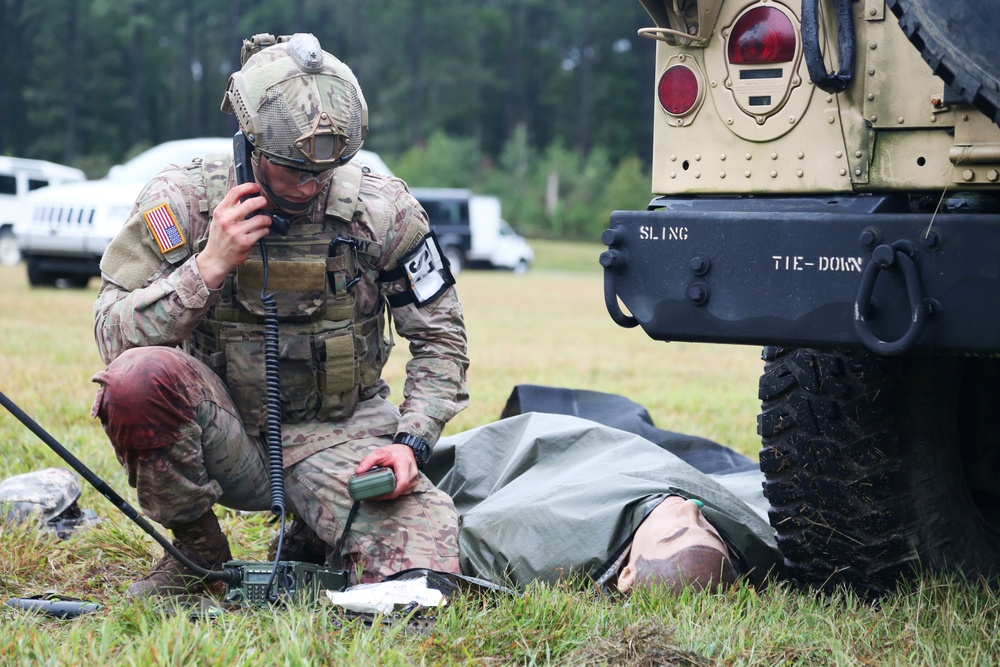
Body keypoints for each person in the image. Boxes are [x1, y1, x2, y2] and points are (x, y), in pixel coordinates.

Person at [89, 33, 469, 598]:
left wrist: (411, 442)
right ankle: (197, 557)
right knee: (137, 380)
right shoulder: (185, 201)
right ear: (250, 146)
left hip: (341, 437)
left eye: (329, 169)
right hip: (222, 435)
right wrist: (208, 267)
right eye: (294, 170)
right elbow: (112, 335)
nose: (312, 186)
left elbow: (441, 339)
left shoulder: (382, 210)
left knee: (423, 578)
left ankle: (311, 540)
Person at [426, 388, 784, 594]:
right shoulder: (767, 546)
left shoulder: (541, 550)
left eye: (677, 532)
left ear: (627, 575)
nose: (690, 509)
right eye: (710, 529)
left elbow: (478, 539)